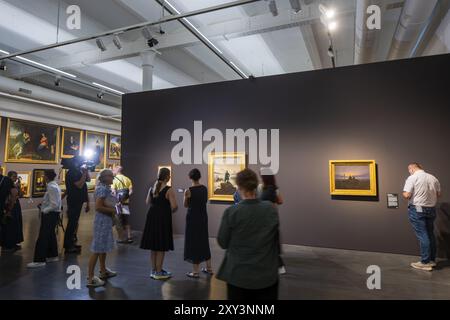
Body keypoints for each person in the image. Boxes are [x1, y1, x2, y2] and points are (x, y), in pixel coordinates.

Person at [217, 169, 280, 300]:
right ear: (256, 185)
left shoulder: (231, 212)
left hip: (238, 276)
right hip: (266, 276)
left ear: (239, 187)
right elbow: (275, 239)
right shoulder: (270, 209)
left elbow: (222, 242)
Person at [140, 167, 178, 280]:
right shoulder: (168, 189)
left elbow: (147, 202)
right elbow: (174, 206)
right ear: (167, 177)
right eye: (169, 175)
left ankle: (154, 269)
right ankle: (159, 271)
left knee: (153, 245)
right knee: (161, 245)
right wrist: (169, 210)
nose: (170, 176)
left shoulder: (152, 188)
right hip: (163, 218)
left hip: (151, 217)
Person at [403, 163, 441, 271]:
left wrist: (408, 194)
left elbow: (407, 195)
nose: (409, 171)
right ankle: (432, 260)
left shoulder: (412, 177)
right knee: (430, 234)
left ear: (412, 168)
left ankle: (425, 262)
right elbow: (438, 194)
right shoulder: (433, 178)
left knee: (422, 235)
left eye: (409, 170)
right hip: (431, 208)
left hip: (417, 209)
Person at [87, 169, 118, 287]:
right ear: (105, 177)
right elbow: (99, 207)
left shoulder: (104, 188)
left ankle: (103, 270)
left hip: (105, 221)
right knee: (97, 249)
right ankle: (90, 278)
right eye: (111, 176)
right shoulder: (102, 189)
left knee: (102, 247)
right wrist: (114, 210)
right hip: (102, 222)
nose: (113, 178)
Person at [27, 170, 61, 268]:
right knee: (50, 235)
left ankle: (39, 260)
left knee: (43, 236)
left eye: (44, 175)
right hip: (53, 214)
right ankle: (52, 255)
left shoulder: (51, 186)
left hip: (50, 214)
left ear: (46, 176)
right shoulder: (54, 185)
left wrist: (45, 210)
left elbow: (54, 204)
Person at [183, 169, 212, 278]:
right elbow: (203, 202)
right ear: (199, 177)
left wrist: (186, 196)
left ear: (190, 177)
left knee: (194, 242)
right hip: (203, 217)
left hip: (192, 218)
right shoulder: (204, 189)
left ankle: (195, 272)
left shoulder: (189, 190)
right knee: (204, 239)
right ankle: (209, 268)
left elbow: (186, 205)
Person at [258, 173, 286, 275]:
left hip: (265, 218)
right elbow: (281, 201)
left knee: (268, 241)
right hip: (273, 217)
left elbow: (258, 201)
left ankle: (279, 266)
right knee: (272, 240)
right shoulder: (274, 188)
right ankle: (277, 265)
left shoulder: (261, 188)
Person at [64, 156, 90, 254]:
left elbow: (87, 180)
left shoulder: (77, 171)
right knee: (72, 224)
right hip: (74, 200)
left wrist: (85, 171)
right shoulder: (72, 172)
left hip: (78, 201)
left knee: (74, 223)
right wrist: (83, 173)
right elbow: (79, 185)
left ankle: (71, 244)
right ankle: (68, 246)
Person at [0, 171, 24, 252]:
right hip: (9, 206)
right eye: (14, 177)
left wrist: (19, 188)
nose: (15, 178)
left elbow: (21, 195)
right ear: (9, 177)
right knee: (9, 225)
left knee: (16, 224)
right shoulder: (6, 184)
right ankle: (7, 244)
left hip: (16, 206)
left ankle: (14, 242)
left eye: (16, 177)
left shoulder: (15, 185)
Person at [112, 166, 133, 244]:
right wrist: (125, 198)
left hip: (118, 203)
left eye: (114, 170)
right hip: (126, 203)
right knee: (126, 220)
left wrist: (118, 200)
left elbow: (113, 192)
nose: (113, 171)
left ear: (117, 170)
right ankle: (129, 237)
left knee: (118, 220)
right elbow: (131, 191)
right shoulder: (128, 179)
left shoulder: (114, 180)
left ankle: (121, 237)